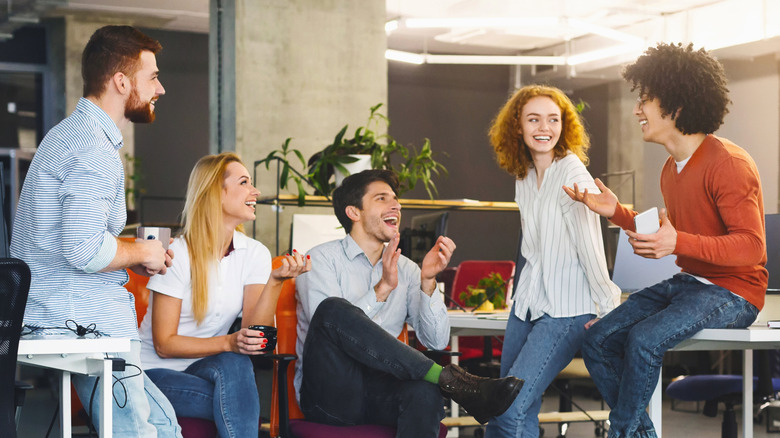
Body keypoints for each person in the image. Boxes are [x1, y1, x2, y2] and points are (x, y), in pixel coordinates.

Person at [564, 42, 767, 438]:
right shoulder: (670, 170)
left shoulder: (728, 164)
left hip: (735, 292)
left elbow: (751, 247)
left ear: (675, 106)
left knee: (643, 340)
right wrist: (617, 213)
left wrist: (679, 244)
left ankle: (621, 433)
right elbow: (670, 233)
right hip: (692, 284)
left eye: (646, 100)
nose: (638, 110)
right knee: (599, 339)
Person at [11, 26, 180, 436]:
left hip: (71, 316)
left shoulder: (70, 136)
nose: (161, 88)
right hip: (83, 323)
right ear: (122, 82)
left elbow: (76, 242)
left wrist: (132, 254)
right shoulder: (91, 148)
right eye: (153, 76)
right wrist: (142, 252)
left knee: (164, 425)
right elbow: (84, 249)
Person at [295, 169, 523, 437]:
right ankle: (453, 381)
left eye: (396, 199)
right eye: (382, 198)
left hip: (381, 392)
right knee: (332, 309)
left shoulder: (408, 269)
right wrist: (382, 289)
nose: (397, 205)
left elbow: (436, 341)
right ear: (354, 213)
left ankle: (449, 381)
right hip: (332, 396)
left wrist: (428, 280)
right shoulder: (319, 260)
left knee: (424, 392)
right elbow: (329, 326)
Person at [137, 152, 310, 437]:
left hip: (207, 368)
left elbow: (257, 340)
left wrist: (275, 281)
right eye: (244, 182)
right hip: (153, 374)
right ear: (215, 193)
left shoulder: (254, 253)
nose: (255, 192)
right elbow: (164, 345)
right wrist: (229, 342)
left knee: (237, 362)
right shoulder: (177, 254)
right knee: (238, 400)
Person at [484, 85, 621, 437]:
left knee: (507, 409)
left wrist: (607, 307)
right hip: (528, 304)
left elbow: (591, 247)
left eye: (552, 119)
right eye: (533, 119)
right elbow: (532, 250)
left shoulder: (572, 174)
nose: (543, 128)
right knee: (516, 407)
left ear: (564, 125)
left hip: (566, 309)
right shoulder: (525, 176)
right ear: (518, 126)